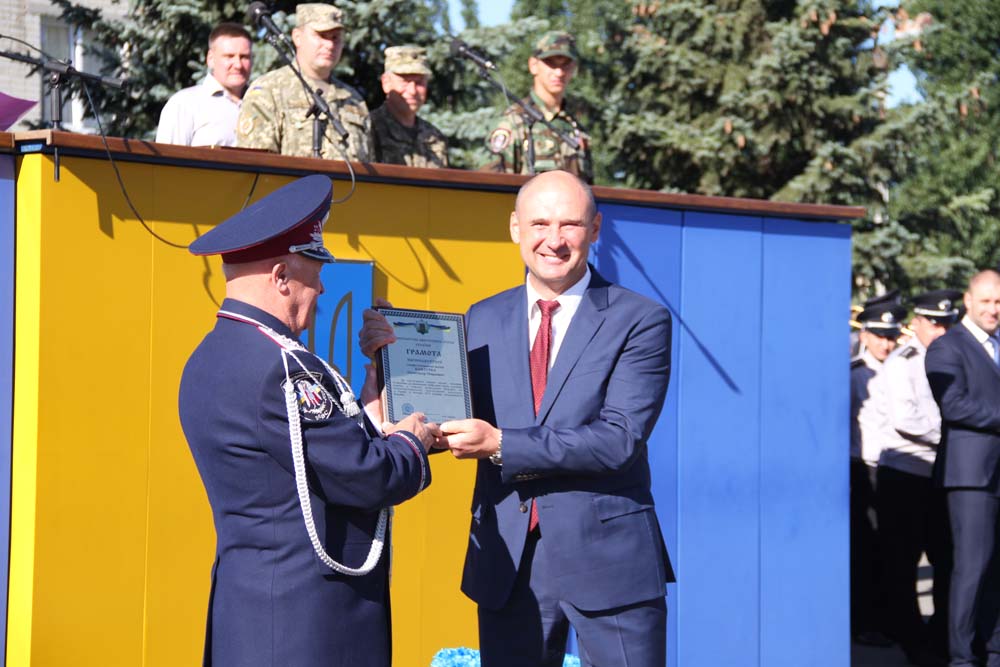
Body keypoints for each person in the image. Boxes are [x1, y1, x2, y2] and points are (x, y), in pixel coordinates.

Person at [362, 170, 673, 666]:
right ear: (515, 228)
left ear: (595, 230)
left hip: (609, 561)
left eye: (570, 224)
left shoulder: (640, 319)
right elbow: (451, 421)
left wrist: (500, 443)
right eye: (540, 224)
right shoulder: (483, 317)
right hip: (507, 559)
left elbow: (618, 441)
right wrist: (393, 367)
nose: (554, 240)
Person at [178, 175, 438, 666]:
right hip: (308, 622)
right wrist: (413, 441)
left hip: (254, 608)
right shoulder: (282, 368)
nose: (320, 288)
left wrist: (376, 382)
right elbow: (367, 475)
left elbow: (310, 456)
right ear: (280, 277)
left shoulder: (209, 357)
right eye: (312, 273)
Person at [879, 290, 962, 666]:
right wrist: (953, 429)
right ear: (918, 322)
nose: (942, 330)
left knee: (947, 557)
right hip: (907, 473)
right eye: (935, 323)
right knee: (904, 560)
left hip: (942, 471)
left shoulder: (955, 356)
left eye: (948, 323)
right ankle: (910, 638)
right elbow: (905, 419)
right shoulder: (903, 360)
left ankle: (941, 634)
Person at [925, 269, 1000, 667]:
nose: (994, 309)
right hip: (971, 476)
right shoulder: (948, 346)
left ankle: (994, 650)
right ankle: (960, 657)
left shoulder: (998, 344)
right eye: (986, 301)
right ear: (968, 302)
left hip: (997, 474)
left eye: (999, 301)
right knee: (971, 570)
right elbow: (953, 405)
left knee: (997, 571)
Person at [236, 3, 372, 161]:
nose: (329, 45)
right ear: (297, 37)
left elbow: (370, 166)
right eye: (321, 35)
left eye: (336, 38)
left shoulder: (354, 100)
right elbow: (255, 166)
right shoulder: (269, 91)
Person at [850, 298, 906, 647]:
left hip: (896, 469)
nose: (887, 343)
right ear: (866, 334)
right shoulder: (854, 373)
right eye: (880, 335)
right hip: (863, 468)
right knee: (866, 550)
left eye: (892, 336)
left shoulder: (902, 367)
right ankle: (865, 622)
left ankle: (890, 620)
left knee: (894, 549)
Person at [484, 31, 593, 183]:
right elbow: (491, 186)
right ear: (533, 65)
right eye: (551, 63)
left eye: (566, 65)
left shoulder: (576, 129)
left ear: (573, 68)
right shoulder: (513, 123)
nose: (559, 72)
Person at [155, 23, 252, 147]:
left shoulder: (263, 105)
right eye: (229, 56)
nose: (238, 65)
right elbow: (167, 161)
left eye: (245, 57)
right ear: (211, 59)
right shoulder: (185, 104)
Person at [370, 45, 449, 168]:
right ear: (386, 83)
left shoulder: (435, 138)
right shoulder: (370, 129)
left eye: (419, 83)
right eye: (405, 81)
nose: (412, 91)